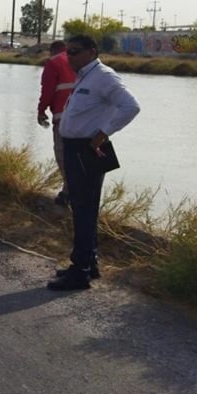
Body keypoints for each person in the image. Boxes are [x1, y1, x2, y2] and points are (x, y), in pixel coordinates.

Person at [50, 34, 140, 291]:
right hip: (75, 148)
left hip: (86, 149)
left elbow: (130, 107)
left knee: (83, 209)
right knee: (83, 208)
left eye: (75, 51)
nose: (70, 56)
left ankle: (80, 272)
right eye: (68, 52)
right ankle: (90, 264)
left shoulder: (104, 76)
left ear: (92, 51)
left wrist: (103, 133)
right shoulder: (85, 76)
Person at [37, 40, 77, 206]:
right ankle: (81, 193)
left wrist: (41, 110)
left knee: (63, 155)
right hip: (86, 120)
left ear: (52, 50)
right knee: (81, 158)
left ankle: (69, 192)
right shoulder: (81, 60)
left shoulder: (54, 62)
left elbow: (47, 90)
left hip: (63, 117)